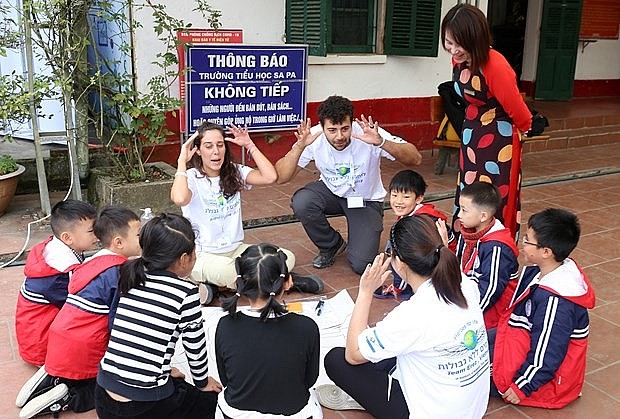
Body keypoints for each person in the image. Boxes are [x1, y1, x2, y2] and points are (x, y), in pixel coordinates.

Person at [321, 215, 489, 418]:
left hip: (431, 413)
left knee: (337, 360)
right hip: (471, 409)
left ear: (399, 264)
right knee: (387, 347)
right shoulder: (464, 284)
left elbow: (353, 354)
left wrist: (365, 293)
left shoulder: (414, 314)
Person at [171, 121, 323, 301]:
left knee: (286, 257)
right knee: (233, 272)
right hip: (203, 255)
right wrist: (182, 161)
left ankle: (219, 287)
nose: (216, 151)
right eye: (208, 146)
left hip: (236, 250)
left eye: (220, 145)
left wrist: (250, 145)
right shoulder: (190, 177)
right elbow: (180, 199)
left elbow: (270, 176)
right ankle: (286, 281)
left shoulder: (235, 172)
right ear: (197, 150)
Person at [15, 206, 142, 418]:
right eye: (92, 231)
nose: (97, 235)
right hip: (52, 345)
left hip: (58, 340)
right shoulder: (110, 273)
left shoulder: (84, 261)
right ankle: (66, 397)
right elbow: (117, 323)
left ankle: (52, 375)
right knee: (111, 388)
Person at [275, 95, 422, 274]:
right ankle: (331, 244)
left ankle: (360, 240)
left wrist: (381, 143)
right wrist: (299, 147)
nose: (339, 136)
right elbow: (281, 177)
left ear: (352, 123)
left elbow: (415, 159)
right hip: (331, 193)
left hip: (365, 199)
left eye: (345, 129)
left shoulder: (368, 132)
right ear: (322, 127)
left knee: (362, 266)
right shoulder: (312, 137)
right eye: (332, 130)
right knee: (302, 201)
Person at [95, 213, 220, 419]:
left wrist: (165, 371)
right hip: (142, 406)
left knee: (176, 382)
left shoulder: (130, 274)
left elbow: (135, 334)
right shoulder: (185, 292)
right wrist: (203, 382)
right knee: (208, 400)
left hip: (103, 394)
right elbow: (195, 349)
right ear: (183, 259)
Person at [441, 4, 532, 240]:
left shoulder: (494, 63)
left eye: (459, 43)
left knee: (495, 194)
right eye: (448, 42)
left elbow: (516, 107)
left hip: (498, 139)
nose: (453, 49)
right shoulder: (459, 61)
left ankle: (495, 245)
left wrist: (526, 128)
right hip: (471, 135)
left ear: (476, 38)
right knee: (469, 190)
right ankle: (467, 241)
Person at [491, 208, 595, 408]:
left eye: (528, 240)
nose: (522, 243)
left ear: (546, 252)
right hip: (521, 340)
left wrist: (522, 386)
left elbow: (549, 351)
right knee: (472, 346)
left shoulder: (556, 300)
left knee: (466, 374)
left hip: (542, 385)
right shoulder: (541, 271)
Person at [214, 243, 321, 418]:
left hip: (234, 415)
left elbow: (226, 379)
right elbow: (310, 380)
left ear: (237, 283)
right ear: (288, 282)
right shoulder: (307, 327)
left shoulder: (225, 325)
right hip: (295, 414)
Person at [15, 199, 97, 366]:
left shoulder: (55, 247)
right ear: (67, 237)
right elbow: (80, 307)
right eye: (91, 231)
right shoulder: (60, 272)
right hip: (42, 349)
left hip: (34, 337)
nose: (97, 235)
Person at [373, 169, 453, 300]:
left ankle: (403, 289)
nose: (398, 201)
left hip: (439, 265)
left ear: (419, 198)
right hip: (444, 261)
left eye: (406, 197)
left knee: (396, 249)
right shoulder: (421, 214)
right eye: (394, 195)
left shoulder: (415, 224)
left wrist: (399, 286)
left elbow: (407, 257)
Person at [454, 181, 519, 329]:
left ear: (483, 216)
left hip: (489, 319)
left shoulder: (497, 247)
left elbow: (490, 291)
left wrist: (468, 318)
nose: (459, 215)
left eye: (464, 210)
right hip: (467, 301)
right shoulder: (469, 233)